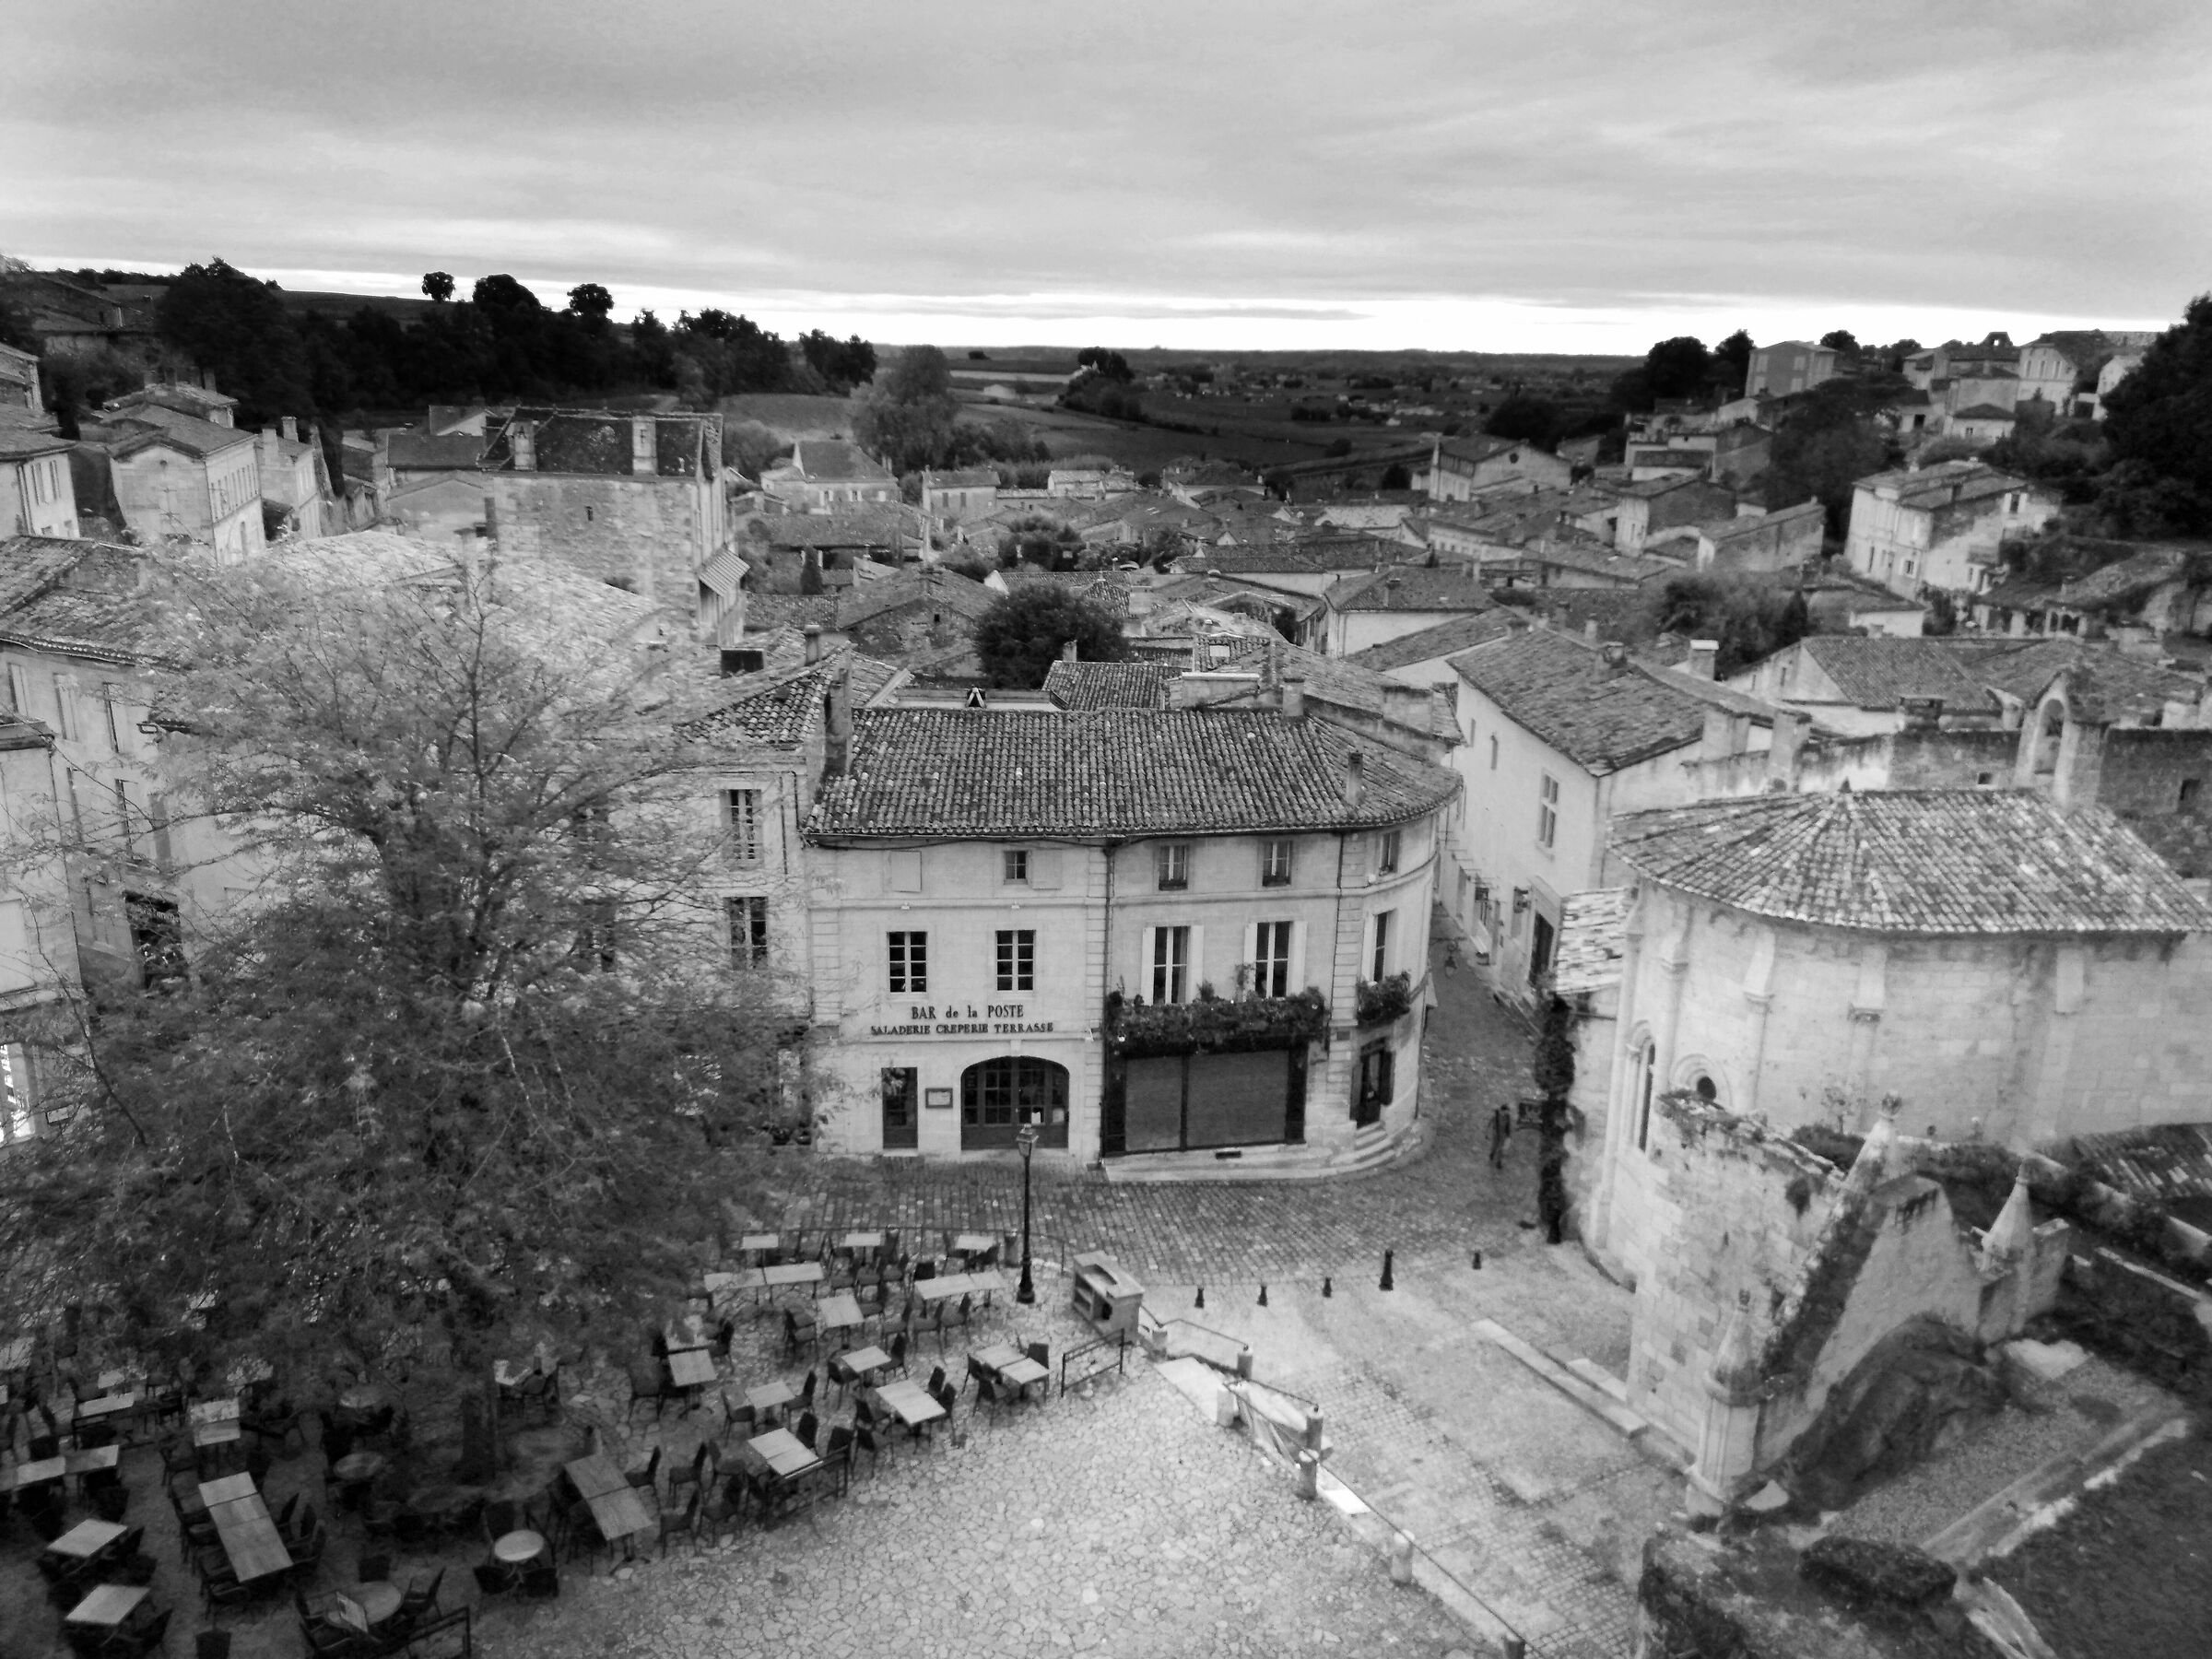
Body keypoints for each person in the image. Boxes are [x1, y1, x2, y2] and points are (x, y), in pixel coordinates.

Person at [1488, 1102, 1512, 1170]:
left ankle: (1498, 1162)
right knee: (1494, 1146)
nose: (1506, 1113)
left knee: (1500, 1149)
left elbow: (1508, 1126)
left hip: (1502, 1135)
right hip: (1496, 1134)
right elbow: (1490, 1123)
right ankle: (1492, 1154)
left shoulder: (1507, 1117)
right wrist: (1487, 1133)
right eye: (1506, 1111)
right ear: (1502, 1110)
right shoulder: (1496, 1116)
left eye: (1507, 1112)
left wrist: (1509, 1135)